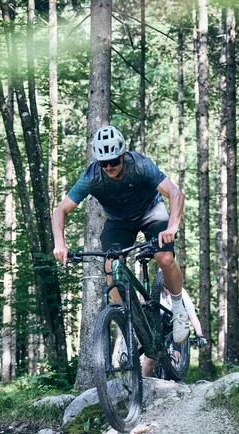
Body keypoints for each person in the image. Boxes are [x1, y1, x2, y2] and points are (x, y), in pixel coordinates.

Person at [52, 125, 192, 353]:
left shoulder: (140, 165)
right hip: (119, 221)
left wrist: (173, 226)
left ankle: (178, 308)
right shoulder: (91, 177)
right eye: (103, 162)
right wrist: (60, 243)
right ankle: (126, 323)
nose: (109, 167)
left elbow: (175, 193)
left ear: (123, 156)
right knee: (111, 265)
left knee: (164, 258)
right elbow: (60, 211)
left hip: (151, 212)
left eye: (114, 161)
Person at [157, 287, 206, 377]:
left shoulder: (181, 293)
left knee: (175, 353)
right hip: (160, 324)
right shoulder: (156, 292)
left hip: (176, 326)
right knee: (149, 361)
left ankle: (174, 379)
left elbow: (192, 317)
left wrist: (200, 335)